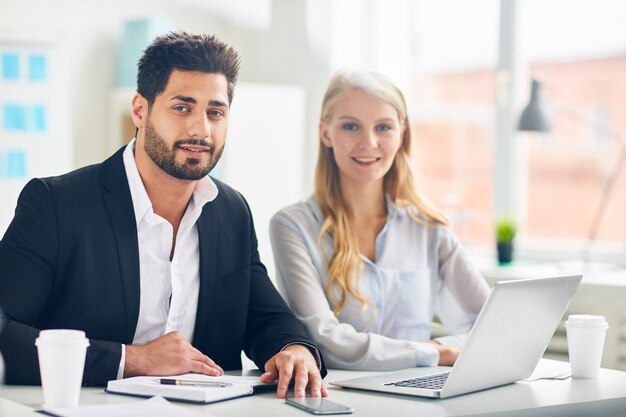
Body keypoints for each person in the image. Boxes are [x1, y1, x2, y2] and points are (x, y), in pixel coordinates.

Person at [0, 32, 326, 398]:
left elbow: (266, 318)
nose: (201, 129)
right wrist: (131, 359)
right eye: (182, 107)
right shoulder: (56, 204)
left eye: (215, 112)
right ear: (140, 110)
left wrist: (293, 349)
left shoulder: (231, 212)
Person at [269, 68, 491, 371]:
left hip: (420, 399)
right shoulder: (292, 227)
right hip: (338, 399)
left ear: (402, 134)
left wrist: (438, 350)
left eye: (383, 127)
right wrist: (434, 353)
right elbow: (324, 343)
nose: (369, 142)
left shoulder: (429, 229)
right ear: (325, 133)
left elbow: (492, 328)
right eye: (350, 126)